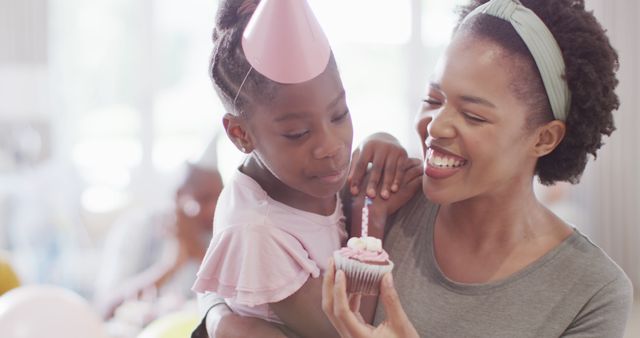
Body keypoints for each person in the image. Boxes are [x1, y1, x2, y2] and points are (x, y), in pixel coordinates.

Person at [322, 0, 633, 337]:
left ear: (544, 138)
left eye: (473, 116)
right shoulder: (385, 202)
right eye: (433, 100)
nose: (435, 127)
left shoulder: (593, 291)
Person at [189, 1, 422, 337]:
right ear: (241, 134)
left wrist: (382, 139)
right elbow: (347, 325)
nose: (331, 146)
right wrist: (371, 217)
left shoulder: (299, 176)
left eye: (339, 114)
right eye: (297, 133)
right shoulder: (257, 229)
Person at [95, 138, 224, 321]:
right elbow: (105, 308)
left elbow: (236, 303)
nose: (213, 208)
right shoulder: (136, 228)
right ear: (179, 195)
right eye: (203, 199)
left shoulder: (221, 233)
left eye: (219, 198)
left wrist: (199, 253)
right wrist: (168, 266)